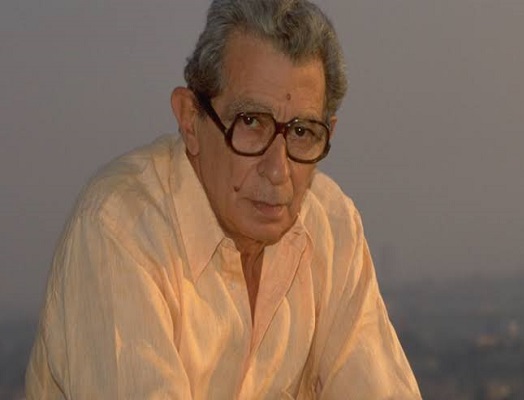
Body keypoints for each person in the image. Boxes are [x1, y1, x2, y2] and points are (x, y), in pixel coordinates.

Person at [25, 0, 421, 398]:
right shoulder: (118, 228)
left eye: (302, 132)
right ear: (190, 119)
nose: (278, 169)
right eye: (251, 121)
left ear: (327, 134)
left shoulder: (331, 224)